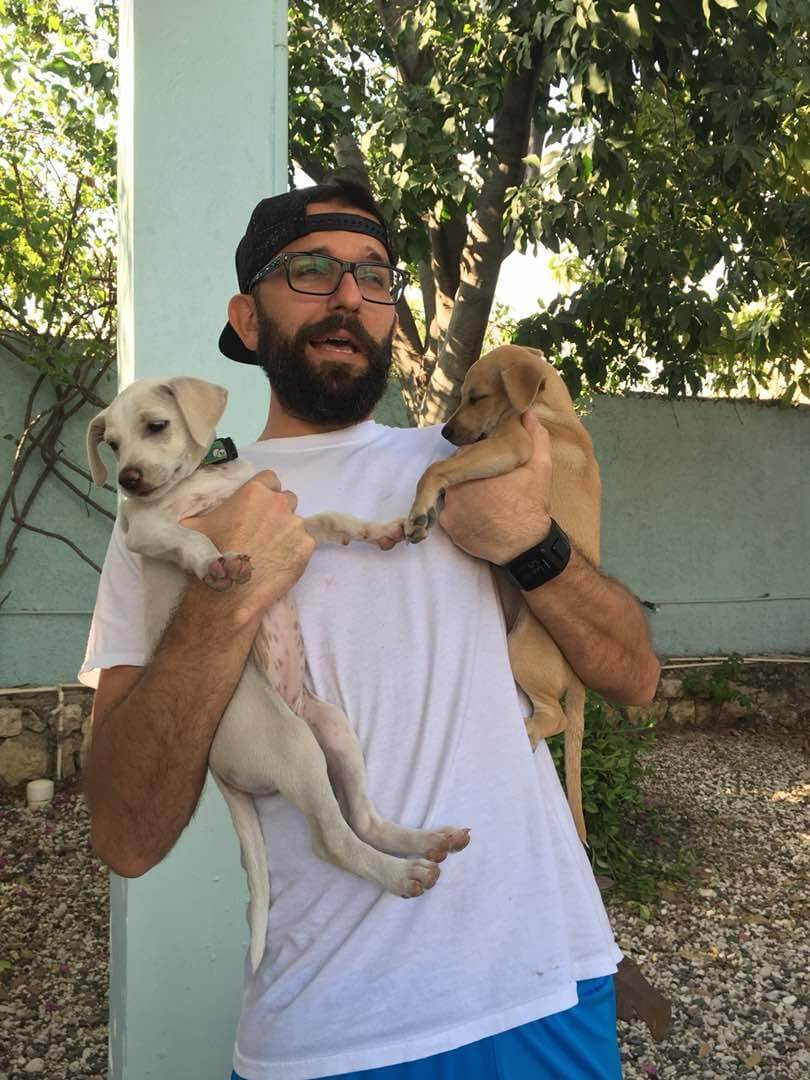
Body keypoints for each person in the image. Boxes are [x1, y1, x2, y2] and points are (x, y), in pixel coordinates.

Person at [80, 177, 660, 1080]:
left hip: (547, 991)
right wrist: (223, 597)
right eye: (311, 270)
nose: (350, 295)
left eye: (376, 275)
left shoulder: (466, 462)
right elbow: (124, 832)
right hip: (328, 1035)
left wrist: (531, 545)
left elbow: (632, 675)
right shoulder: (166, 524)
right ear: (245, 315)